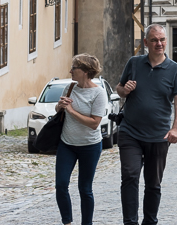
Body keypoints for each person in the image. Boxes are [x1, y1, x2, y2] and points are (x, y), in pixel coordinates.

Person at [116, 24, 177, 225]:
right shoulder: (134, 63)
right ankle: (130, 222)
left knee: (153, 184)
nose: (159, 43)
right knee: (129, 176)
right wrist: (125, 89)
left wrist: (176, 128)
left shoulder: (175, 70)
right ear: (145, 42)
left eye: (162, 39)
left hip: (159, 135)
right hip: (130, 131)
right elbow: (119, 88)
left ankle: (150, 222)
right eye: (154, 40)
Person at [55, 53, 110, 225]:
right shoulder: (70, 88)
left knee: (85, 189)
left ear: (86, 71)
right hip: (67, 144)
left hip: (90, 146)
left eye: (74, 68)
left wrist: (71, 110)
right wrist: (60, 106)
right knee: (61, 185)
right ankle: (67, 222)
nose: (70, 70)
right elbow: (59, 110)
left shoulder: (99, 93)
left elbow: (94, 123)